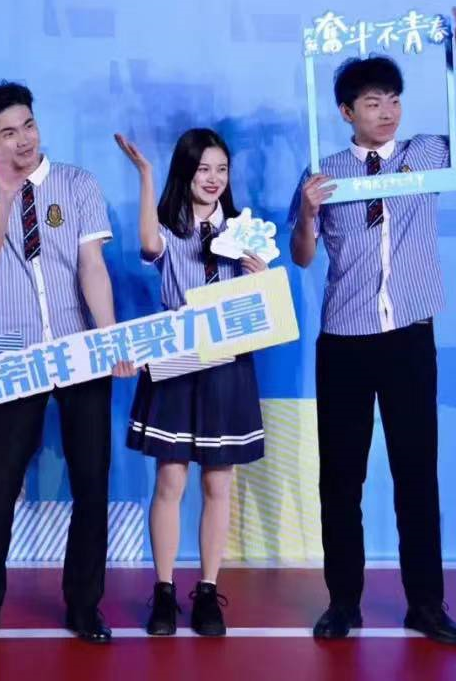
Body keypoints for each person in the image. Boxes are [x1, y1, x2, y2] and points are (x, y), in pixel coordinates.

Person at [288, 2, 456, 645]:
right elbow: (303, 256)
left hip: (409, 339)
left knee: (416, 475)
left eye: (393, 99)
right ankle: (343, 603)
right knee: (341, 480)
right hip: (344, 341)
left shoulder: (427, 153)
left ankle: (427, 605)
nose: (387, 111)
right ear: (346, 111)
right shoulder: (322, 173)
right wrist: (306, 215)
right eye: (372, 102)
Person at [0, 82, 132, 644]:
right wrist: (6, 195)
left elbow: (92, 267)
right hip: (17, 355)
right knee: (1, 480)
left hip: (80, 349)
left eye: (28, 125)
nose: (24, 139)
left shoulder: (78, 184)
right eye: (8, 133)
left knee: (91, 480)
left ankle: (84, 606)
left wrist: (109, 338)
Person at [116, 128, 266, 637]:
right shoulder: (170, 227)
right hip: (177, 361)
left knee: (218, 483)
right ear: (186, 173)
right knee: (170, 480)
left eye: (221, 169)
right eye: (203, 169)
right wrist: (146, 175)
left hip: (227, 363)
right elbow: (147, 244)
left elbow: (262, 306)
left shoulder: (245, 231)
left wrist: (259, 278)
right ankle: (163, 591)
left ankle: (206, 591)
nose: (213, 178)